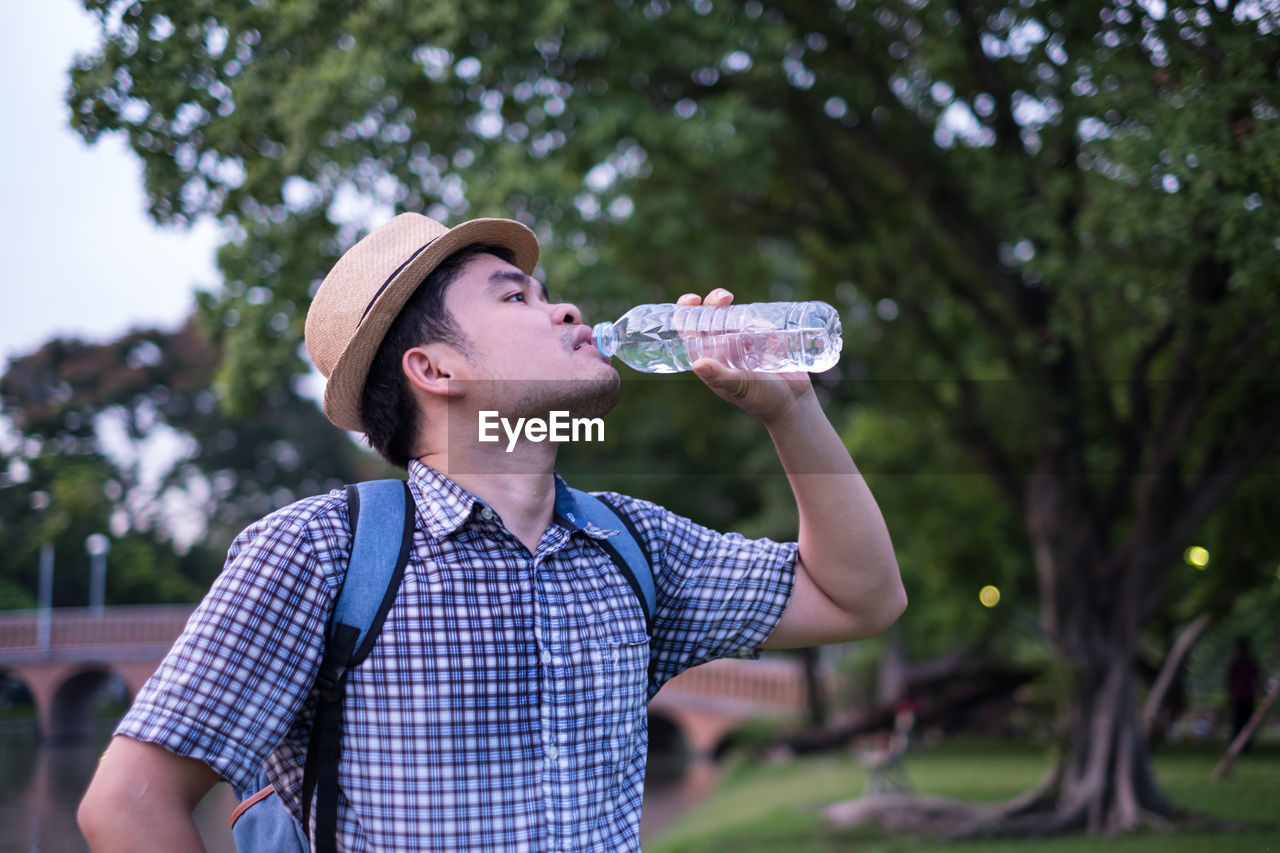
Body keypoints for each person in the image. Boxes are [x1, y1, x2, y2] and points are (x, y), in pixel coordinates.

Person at [78, 213, 905, 852]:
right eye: (517, 297)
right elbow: (128, 801)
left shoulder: (634, 545)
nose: (566, 307)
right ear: (435, 369)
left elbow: (858, 596)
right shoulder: (322, 553)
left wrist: (793, 410)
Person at [1225, 635, 1262, 749]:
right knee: (1237, 722)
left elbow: (1258, 679)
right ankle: (1236, 745)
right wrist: (1229, 696)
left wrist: (1261, 693)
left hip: (1248, 697)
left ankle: (1247, 745)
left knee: (1247, 723)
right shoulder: (1235, 664)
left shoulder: (1251, 663)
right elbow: (1230, 681)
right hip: (1238, 697)